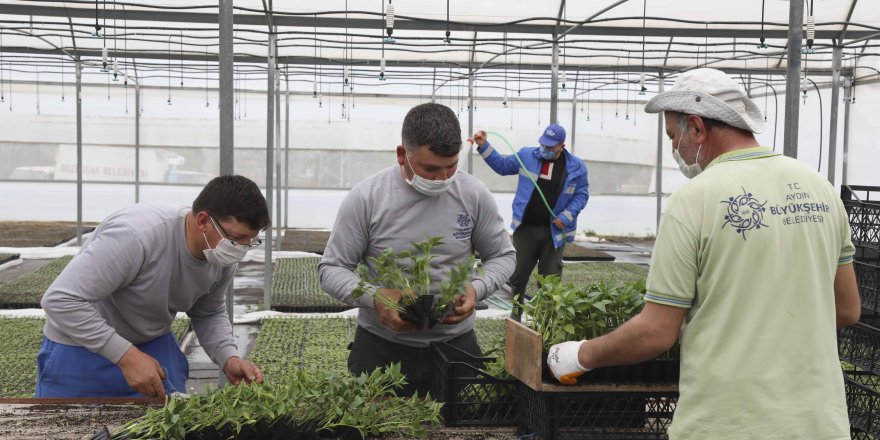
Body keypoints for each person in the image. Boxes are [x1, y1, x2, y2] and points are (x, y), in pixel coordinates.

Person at [546, 68, 861, 439]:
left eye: (672, 137)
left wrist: (580, 355)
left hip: (729, 423)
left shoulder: (694, 199)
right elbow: (847, 309)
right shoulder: (819, 189)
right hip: (819, 423)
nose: (675, 150)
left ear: (696, 127)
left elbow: (655, 333)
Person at [319, 103, 516, 397]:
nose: (442, 178)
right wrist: (375, 297)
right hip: (381, 349)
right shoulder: (367, 197)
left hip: (455, 347)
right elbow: (331, 268)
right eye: (430, 168)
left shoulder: (474, 194)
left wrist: (477, 289)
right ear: (402, 155)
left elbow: (502, 255)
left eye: (452, 166)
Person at [37, 175, 270, 398]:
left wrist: (228, 357)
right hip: (80, 348)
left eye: (249, 241)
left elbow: (208, 311)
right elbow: (60, 300)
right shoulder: (136, 235)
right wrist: (127, 357)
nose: (240, 249)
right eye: (235, 239)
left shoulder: (221, 256)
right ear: (203, 221)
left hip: (152, 343)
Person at [472, 124, 589, 318]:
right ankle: (516, 312)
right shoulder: (526, 156)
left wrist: (567, 216)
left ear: (562, 146)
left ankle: (546, 317)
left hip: (555, 232)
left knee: (550, 278)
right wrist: (484, 146)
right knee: (518, 274)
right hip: (526, 229)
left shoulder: (576, 167)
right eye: (543, 144)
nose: (546, 149)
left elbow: (582, 194)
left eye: (551, 147)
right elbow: (501, 165)